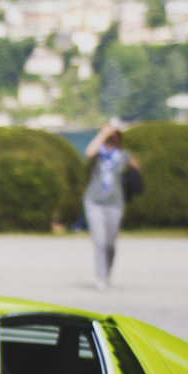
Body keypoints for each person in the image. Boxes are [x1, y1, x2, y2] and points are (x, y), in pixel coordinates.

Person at [82, 122, 138, 291]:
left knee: (110, 243)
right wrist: (103, 134)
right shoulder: (98, 154)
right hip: (94, 202)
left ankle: (108, 270)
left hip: (115, 203)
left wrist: (130, 182)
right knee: (99, 241)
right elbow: (89, 152)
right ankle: (101, 276)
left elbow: (137, 168)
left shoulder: (123, 155)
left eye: (114, 133)